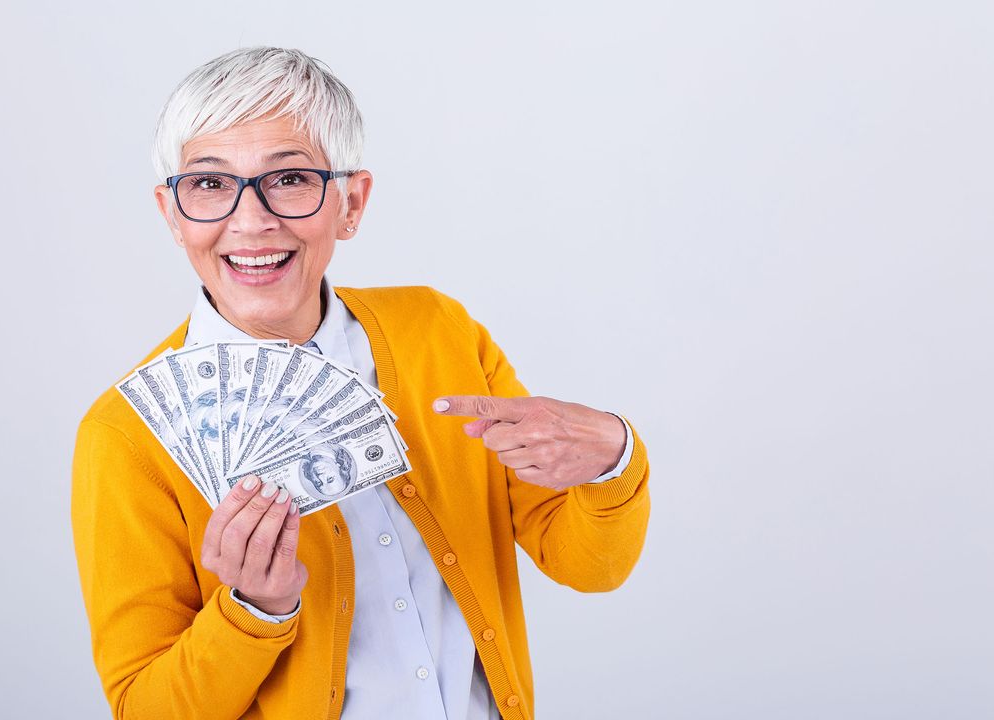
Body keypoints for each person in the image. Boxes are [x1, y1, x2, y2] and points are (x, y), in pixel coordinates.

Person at [71, 46, 651, 720]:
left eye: (289, 178)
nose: (251, 220)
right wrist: (254, 612)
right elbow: (144, 708)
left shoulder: (437, 330)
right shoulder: (127, 436)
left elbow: (589, 565)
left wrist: (614, 458)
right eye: (209, 184)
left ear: (351, 202)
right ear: (172, 214)